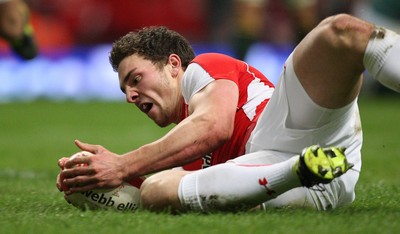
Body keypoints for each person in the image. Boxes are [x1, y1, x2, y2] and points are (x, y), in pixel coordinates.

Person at [57, 13, 400, 213]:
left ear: (173, 65)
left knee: (340, 32)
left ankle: (301, 167)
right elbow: (142, 189)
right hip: (299, 182)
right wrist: (82, 176)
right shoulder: (186, 156)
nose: (131, 96)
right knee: (155, 191)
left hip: (295, 133)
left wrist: (122, 165)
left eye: (135, 80)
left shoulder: (203, 67)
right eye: (125, 90)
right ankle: (300, 170)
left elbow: (214, 127)